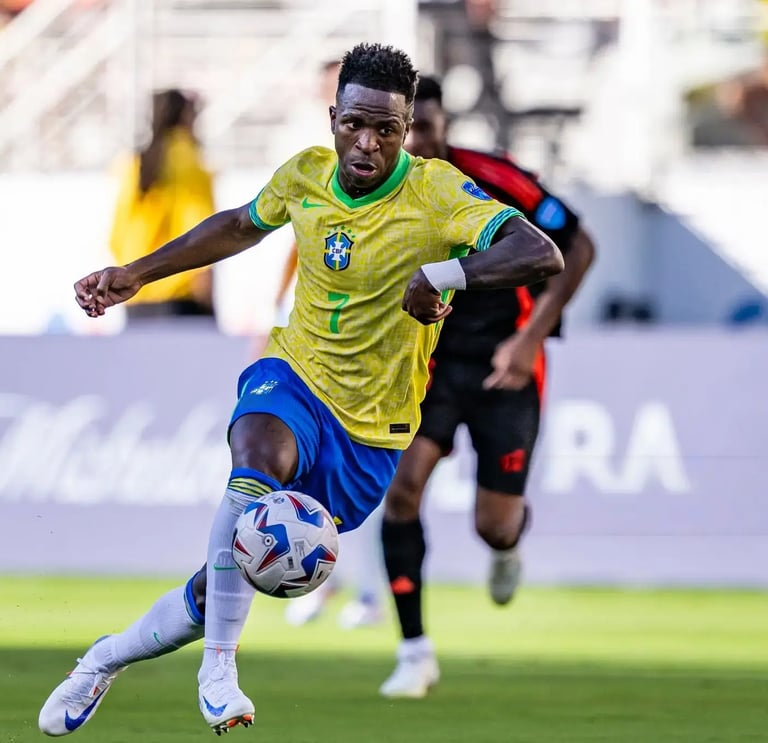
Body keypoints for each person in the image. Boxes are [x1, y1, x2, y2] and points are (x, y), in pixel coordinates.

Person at [38, 44, 563, 737]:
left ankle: (102, 659)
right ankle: (219, 670)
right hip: (296, 372)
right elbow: (238, 225)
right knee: (257, 454)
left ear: (406, 129)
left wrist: (447, 274)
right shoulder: (305, 175)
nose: (367, 143)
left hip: (371, 431)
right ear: (333, 117)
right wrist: (138, 272)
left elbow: (541, 251)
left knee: (218, 585)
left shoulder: (437, 191)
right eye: (354, 124)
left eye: (386, 129)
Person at [378, 76, 596, 699]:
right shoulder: (378, 191)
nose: (416, 142)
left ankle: (508, 544)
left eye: (426, 128)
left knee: (493, 526)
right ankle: (414, 651)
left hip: (505, 366)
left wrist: (529, 338)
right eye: (405, 131)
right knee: (402, 490)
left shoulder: (492, 178)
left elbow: (577, 245)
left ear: (444, 126)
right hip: (429, 367)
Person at [109, 89, 217, 324]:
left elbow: (116, 238)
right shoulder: (190, 163)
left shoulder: (133, 165)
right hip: (181, 300)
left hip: (135, 296)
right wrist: (206, 295)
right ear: (186, 117)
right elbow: (204, 233)